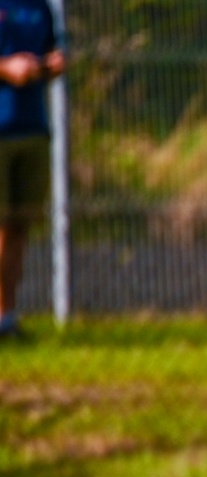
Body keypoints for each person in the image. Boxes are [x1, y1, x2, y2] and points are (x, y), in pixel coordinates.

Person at [0, 0, 64, 339]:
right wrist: (6, 68)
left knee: (17, 229)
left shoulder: (41, 7)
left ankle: (6, 318)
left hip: (33, 127)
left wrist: (51, 65)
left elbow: (56, 53)